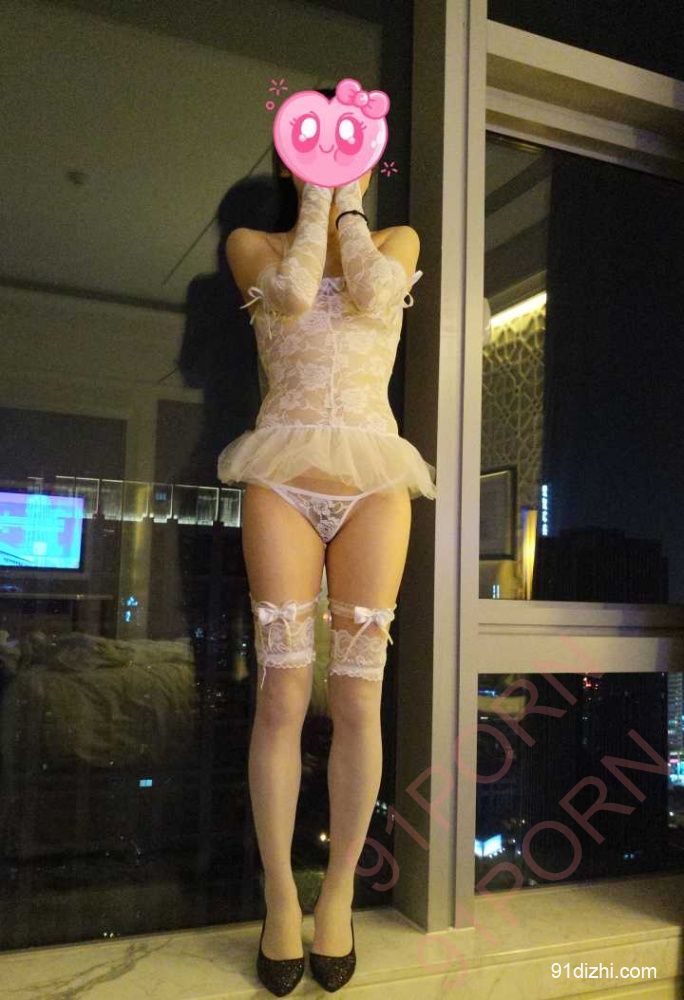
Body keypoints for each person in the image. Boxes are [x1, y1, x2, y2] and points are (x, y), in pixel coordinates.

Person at [218, 106, 436, 994]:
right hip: (282, 472)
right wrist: (317, 198)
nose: (339, 151)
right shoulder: (253, 246)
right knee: (282, 691)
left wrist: (348, 204)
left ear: (372, 155)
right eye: (322, 139)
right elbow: (296, 296)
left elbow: (377, 295)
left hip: (374, 478)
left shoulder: (396, 239)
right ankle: (280, 896)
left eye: (354, 141)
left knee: (357, 696)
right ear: (290, 151)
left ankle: (338, 892)